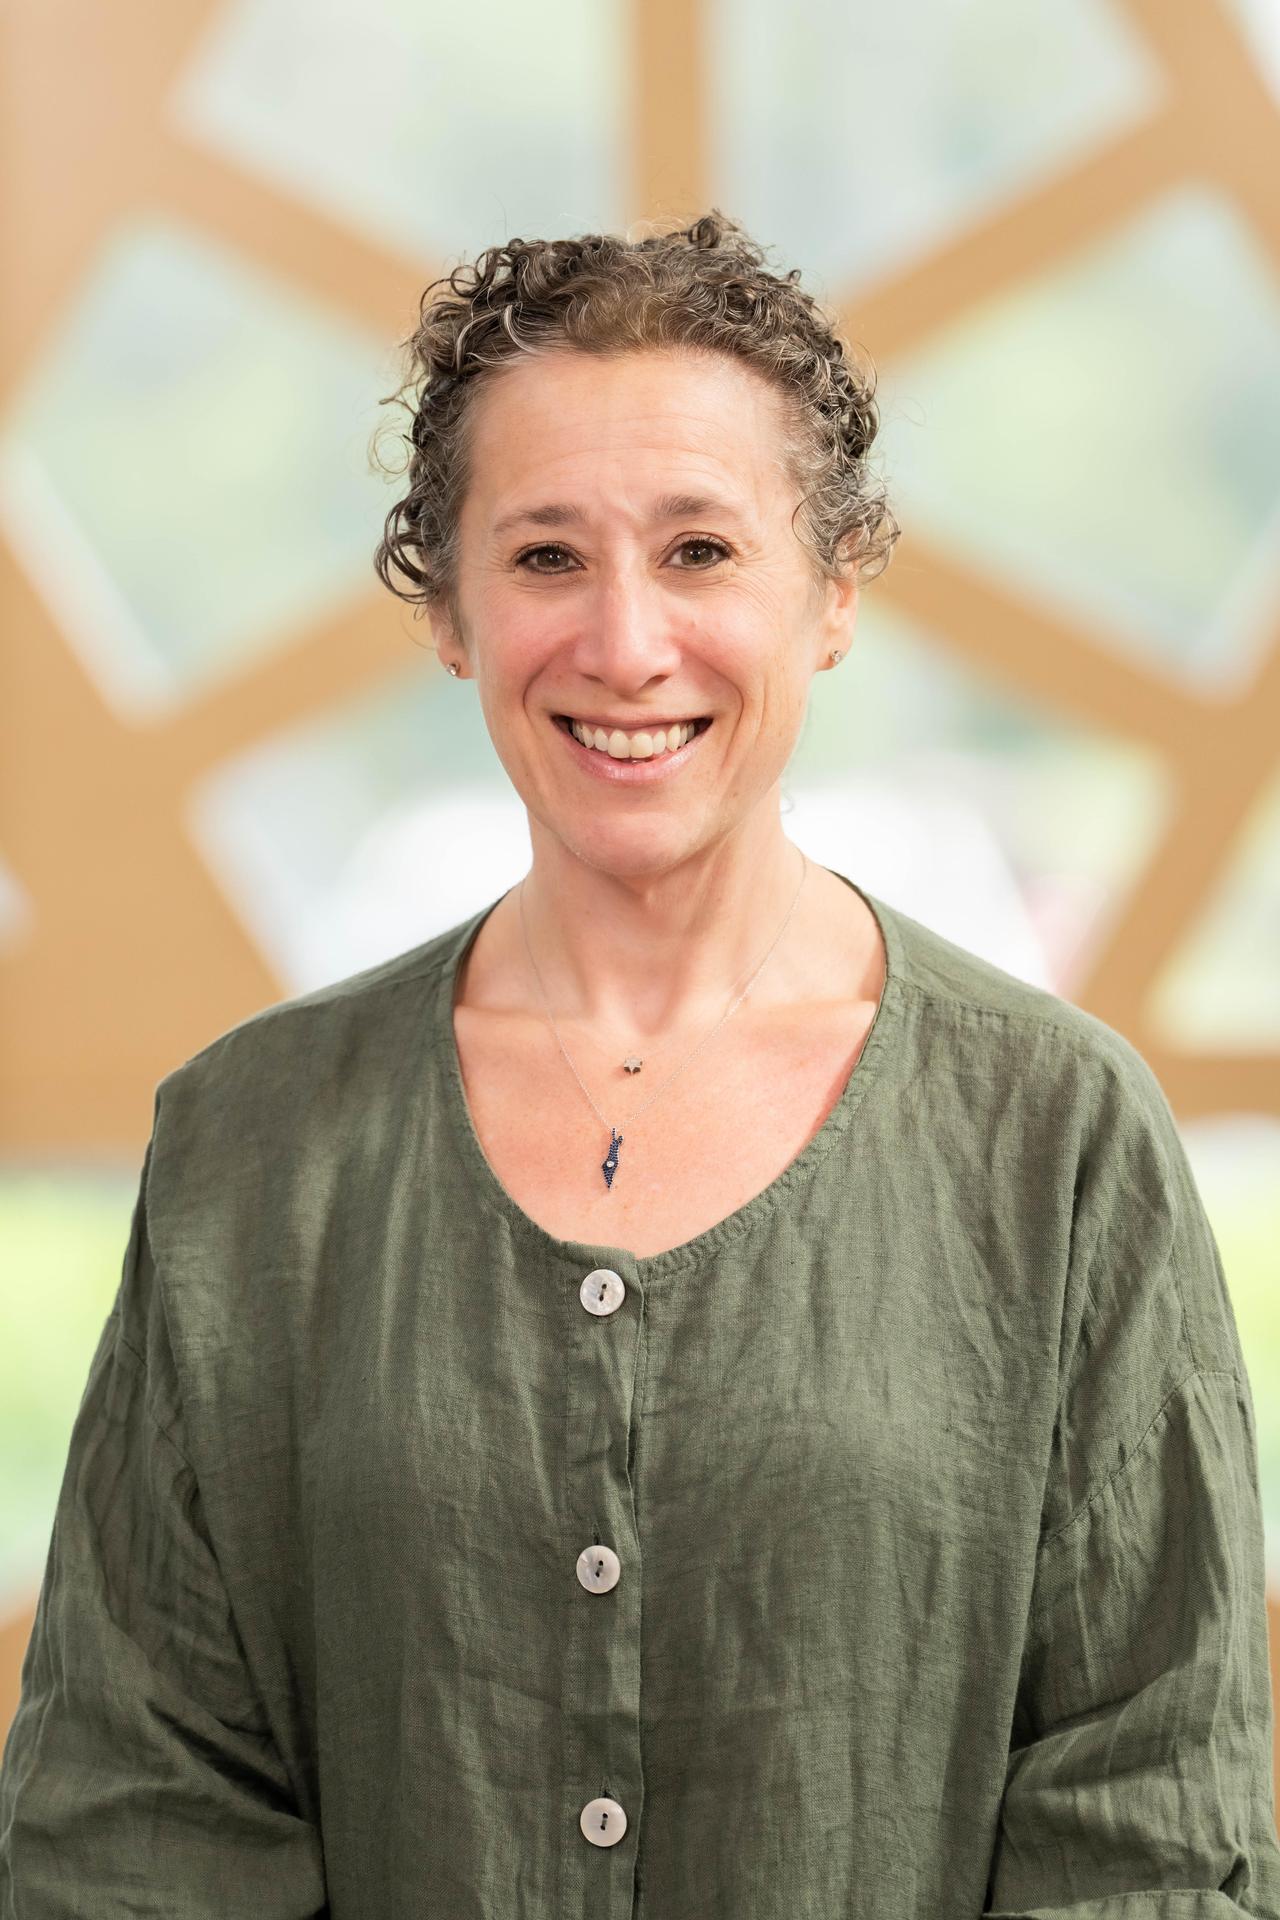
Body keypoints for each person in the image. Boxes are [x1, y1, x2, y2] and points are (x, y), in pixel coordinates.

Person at [1, 209, 1277, 1920]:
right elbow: (135, 1818)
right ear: (447, 609)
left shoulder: (1058, 1136)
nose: (621, 643)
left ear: (830, 593)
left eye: (698, 551)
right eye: (543, 558)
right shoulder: (252, 1144)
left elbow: (1152, 1828)